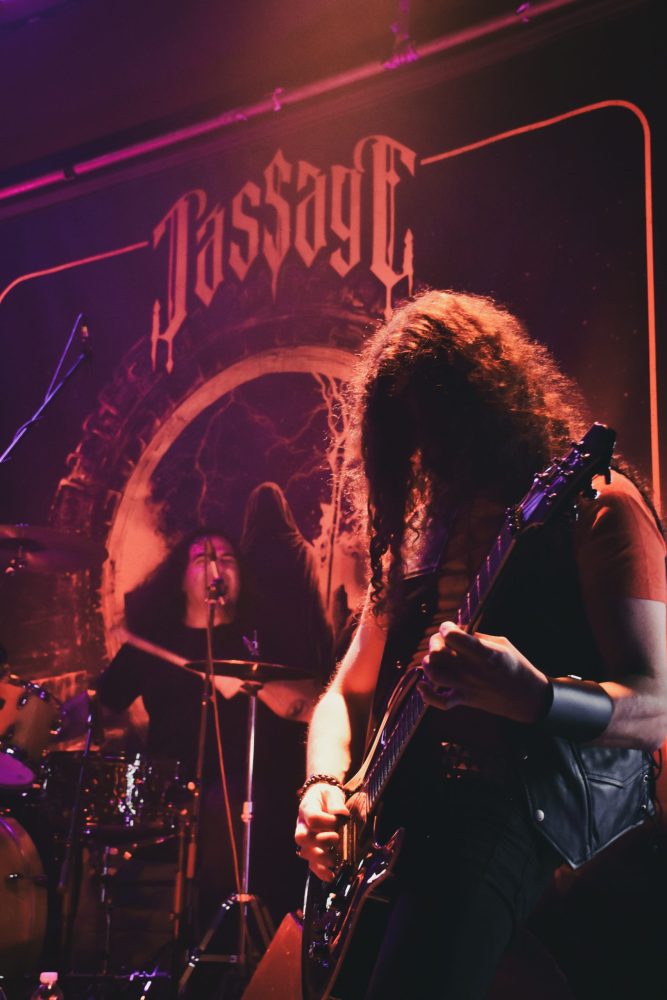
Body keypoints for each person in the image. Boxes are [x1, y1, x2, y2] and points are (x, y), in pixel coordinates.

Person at [294, 290, 667, 999]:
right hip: (410, 825)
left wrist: (536, 697)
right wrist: (323, 788)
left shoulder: (597, 505)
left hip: (525, 816)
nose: (429, 449)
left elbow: (656, 707)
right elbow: (346, 690)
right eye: (408, 432)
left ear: (494, 401)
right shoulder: (422, 538)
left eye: (440, 420)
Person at [97, 529, 320, 931]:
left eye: (227, 558)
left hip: (254, 794)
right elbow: (101, 707)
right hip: (168, 795)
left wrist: (247, 682)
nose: (216, 565)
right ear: (181, 580)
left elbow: (311, 704)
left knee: (228, 807)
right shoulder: (155, 640)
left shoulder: (263, 636)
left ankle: (229, 942)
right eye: (201, 558)